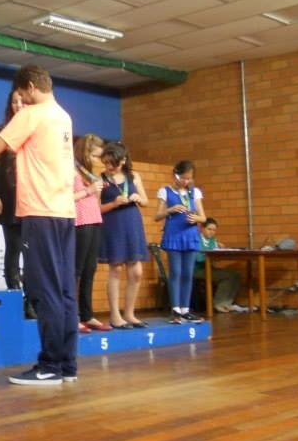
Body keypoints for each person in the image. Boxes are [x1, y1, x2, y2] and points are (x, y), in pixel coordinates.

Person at [0, 64, 77, 386]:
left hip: (40, 213)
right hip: (65, 213)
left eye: (21, 94)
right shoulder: (63, 116)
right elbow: (29, 147)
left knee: (43, 290)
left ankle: (49, 365)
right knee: (64, 291)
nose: (20, 100)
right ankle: (67, 365)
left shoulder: (31, 114)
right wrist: (1, 138)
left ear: (31, 87)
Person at [0, 88, 34, 318]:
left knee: (32, 252)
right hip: (9, 199)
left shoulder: (34, 129)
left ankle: (31, 299)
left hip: (32, 200)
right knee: (13, 248)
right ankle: (15, 296)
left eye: (22, 101)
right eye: (15, 102)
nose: (19, 105)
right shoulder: (4, 132)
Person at [98, 141, 149, 329]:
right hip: (113, 224)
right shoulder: (101, 179)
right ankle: (115, 315)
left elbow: (146, 201)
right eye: (106, 163)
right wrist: (114, 203)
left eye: (113, 163)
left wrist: (138, 198)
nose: (109, 167)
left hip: (132, 223)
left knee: (136, 271)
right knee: (116, 269)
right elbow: (96, 208)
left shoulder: (134, 176)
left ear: (123, 160)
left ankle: (129, 313)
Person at [154, 160, 206, 324]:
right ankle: (175, 309)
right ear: (175, 175)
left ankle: (185, 309)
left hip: (190, 235)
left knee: (188, 273)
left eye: (189, 178)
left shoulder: (195, 192)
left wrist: (196, 218)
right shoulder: (165, 191)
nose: (185, 181)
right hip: (174, 235)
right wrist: (170, 210)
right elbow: (157, 216)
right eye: (182, 178)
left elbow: (203, 217)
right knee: (175, 272)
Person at [73, 134, 110, 332]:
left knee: (90, 269)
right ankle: (72, 315)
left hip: (95, 219)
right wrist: (89, 190)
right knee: (76, 270)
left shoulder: (88, 173)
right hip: (80, 221)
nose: (98, 161)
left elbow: (96, 200)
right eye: (95, 156)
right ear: (85, 152)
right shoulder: (71, 169)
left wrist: (98, 191)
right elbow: (65, 197)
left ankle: (87, 314)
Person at [195, 217, 242, 313]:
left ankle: (226, 303)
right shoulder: (196, 240)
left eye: (214, 230)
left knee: (236, 275)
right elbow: (198, 258)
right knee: (227, 276)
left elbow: (215, 255)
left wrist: (220, 251)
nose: (212, 232)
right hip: (197, 270)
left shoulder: (213, 241)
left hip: (209, 268)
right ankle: (218, 303)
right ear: (202, 228)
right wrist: (211, 255)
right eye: (209, 229)